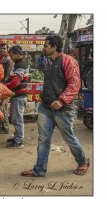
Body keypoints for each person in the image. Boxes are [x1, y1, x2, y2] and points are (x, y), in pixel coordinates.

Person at [21, 35, 90, 177]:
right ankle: (39, 169)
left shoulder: (68, 61)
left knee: (68, 137)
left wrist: (61, 100)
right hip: (46, 108)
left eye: (46, 45)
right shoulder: (47, 62)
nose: (43, 48)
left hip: (63, 109)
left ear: (54, 47)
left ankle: (83, 162)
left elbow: (74, 84)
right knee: (43, 139)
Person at [5, 45, 29, 149]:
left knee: (18, 119)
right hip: (17, 96)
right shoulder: (18, 64)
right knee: (15, 118)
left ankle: (19, 141)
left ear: (17, 54)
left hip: (19, 96)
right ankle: (17, 137)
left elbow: (15, 83)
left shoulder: (21, 65)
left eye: (11, 55)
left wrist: (3, 87)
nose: (10, 58)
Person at [0, 43, 14, 134]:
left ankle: (5, 127)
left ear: (7, 49)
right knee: (0, 107)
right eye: (1, 48)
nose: (2, 50)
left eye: (4, 48)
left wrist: (2, 86)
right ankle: (1, 127)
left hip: (3, 86)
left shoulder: (8, 60)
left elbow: (8, 76)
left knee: (3, 107)